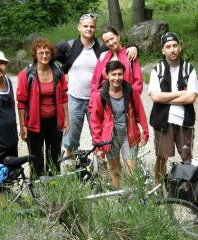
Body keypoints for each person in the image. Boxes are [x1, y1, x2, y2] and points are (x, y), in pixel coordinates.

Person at [56, 14, 138, 157]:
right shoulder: (68, 45)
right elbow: (47, 57)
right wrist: (63, 73)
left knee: (100, 132)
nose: (89, 29)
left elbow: (117, 50)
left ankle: (102, 163)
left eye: (92, 26)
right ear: (79, 27)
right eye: (85, 26)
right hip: (74, 97)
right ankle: (70, 161)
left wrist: (134, 47)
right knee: (70, 136)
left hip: (98, 99)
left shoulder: (102, 47)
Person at [148, 32, 198, 184]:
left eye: (175, 46)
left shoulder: (189, 69)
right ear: (163, 50)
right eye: (168, 47)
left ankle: (188, 190)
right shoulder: (157, 70)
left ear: (180, 47)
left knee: (186, 157)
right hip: (163, 121)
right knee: (161, 157)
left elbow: (191, 98)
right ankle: (159, 189)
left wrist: (165, 98)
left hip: (185, 121)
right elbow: (155, 97)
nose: (172, 50)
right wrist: (179, 94)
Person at [90, 61, 149, 188]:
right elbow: (95, 121)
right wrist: (97, 145)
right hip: (110, 139)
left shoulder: (130, 91)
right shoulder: (100, 95)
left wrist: (145, 133)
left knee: (131, 171)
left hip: (129, 136)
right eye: (113, 74)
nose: (117, 78)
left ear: (123, 75)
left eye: (120, 74)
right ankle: (119, 199)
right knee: (115, 170)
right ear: (107, 75)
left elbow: (140, 112)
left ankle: (130, 198)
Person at [17, 38, 69, 177]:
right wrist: (23, 126)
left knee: (54, 157)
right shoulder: (27, 74)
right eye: (41, 53)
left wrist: (66, 120)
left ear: (52, 54)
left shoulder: (58, 71)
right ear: (35, 54)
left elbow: (64, 96)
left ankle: (54, 188)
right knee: (36, 159)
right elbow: (21, 102)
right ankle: (37, 189)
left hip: (54, 121)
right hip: (34, 123)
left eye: (47, 52)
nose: (44, 56)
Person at [90, 26, 143, 98]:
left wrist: (132, 100)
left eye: (112, 38)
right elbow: (95, 82)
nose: (110, 43)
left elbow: (138, 82)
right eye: (107, 41)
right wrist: (94, 101)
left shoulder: (130, 55)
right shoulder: (103, 57)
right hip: (105, 101)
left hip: (127, 100)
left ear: (118, 36)